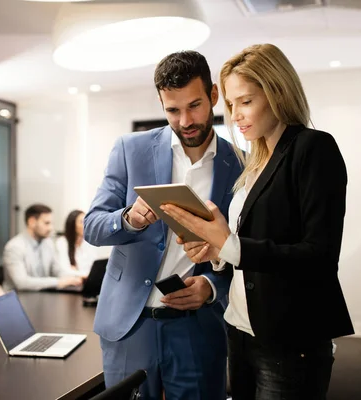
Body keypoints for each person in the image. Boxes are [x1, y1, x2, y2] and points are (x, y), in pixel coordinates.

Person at [161, 43, 354, 400]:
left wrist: (228, 244)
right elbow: (246, 249)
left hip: (288, 339)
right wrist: (215, 250)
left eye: (245, 101)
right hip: (240, 329)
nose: (235, 115)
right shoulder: (256, 161)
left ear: (278, 91)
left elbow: (319, 255)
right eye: (231, 105)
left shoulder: (313, 148)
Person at [83, 50, 242, 400]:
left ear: (214, 96)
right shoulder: (130, 149)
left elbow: (243, 251)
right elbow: (92, 226)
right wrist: (127, 219)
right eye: (172, 110)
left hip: (197, 327)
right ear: (161, 104)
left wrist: (211, 286)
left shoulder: (240, 164)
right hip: (129, 325)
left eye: (195, 105)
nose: (185, 120)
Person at [3, 204, 83, 291]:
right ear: (32, 222)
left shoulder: (48, 243)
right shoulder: (14, 247)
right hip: (19, 297)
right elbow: (22, 283)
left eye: (51, 223)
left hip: (41, 295)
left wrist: (74, 278)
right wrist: (58, 282)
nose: (51, 228)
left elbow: (57, 270)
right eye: (46, 223)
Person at [56, 210, 96, 275]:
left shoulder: (88, 242)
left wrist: (77, 272)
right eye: (81, 222)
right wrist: (82, 274)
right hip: (73, 282)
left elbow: (93, 267)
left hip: (88, 280)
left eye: (86, 221)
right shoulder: (62, 242)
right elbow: (65, 270)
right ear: (72, 225)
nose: (86, 225)